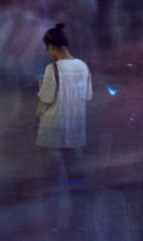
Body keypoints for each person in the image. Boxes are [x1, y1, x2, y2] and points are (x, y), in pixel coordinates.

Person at [35, 22, 92, 185]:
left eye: (47, 48)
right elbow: (87, 96)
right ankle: (77, 197)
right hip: (75, 123)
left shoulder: (51, 69)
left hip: (54, 124)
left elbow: (46, 99)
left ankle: (52, 199)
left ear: (52, 47)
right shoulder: (83, 66)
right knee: (74, 165)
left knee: (51, 168)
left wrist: (41, 85)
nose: (47, 52)